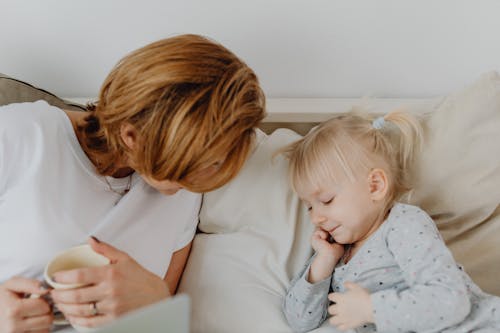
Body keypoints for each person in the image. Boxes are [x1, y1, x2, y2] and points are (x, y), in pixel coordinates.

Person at [0, 34, 265, 332]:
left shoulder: (184, 194)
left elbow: (162, 320)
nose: (203, 178)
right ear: (131, 136)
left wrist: (158, 302)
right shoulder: (19, 135)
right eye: (198, 162)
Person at [281, 110, 500, 332]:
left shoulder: (403, 224)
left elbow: (451, 301)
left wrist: (371, 309)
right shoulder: (335, 253)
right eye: (309, 206)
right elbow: (300, 321)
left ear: (375, 185)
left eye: (326, 200)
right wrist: (324, 262)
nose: (316, 217)